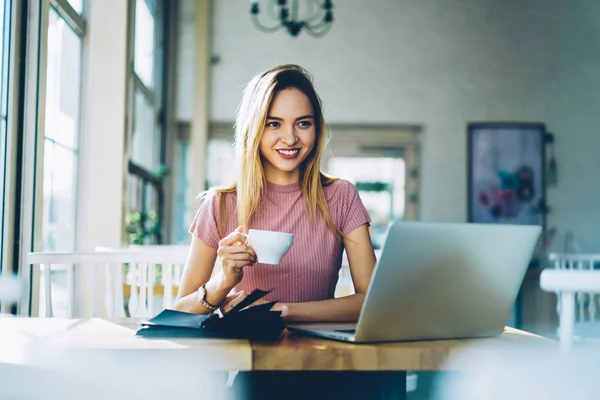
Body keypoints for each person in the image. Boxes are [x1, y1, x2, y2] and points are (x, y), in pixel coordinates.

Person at [173, 64, 376, 320]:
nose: (290, 138)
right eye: (273, 124)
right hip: (242, 356)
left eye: (303, 123)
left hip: (317, 355)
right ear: (254, 129)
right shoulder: (221, 203)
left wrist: (284, 310)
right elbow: (179, 313)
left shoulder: (341, 196)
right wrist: (222, 282)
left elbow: (371, 302)